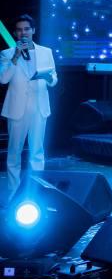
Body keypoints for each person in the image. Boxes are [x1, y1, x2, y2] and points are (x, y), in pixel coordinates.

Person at [1, 15, 58, 197]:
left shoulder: (46, 52)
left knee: (37, 153)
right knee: (14, 154)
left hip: (39, 108)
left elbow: (54, 79)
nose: (23, 33)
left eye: (26, 29)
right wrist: (15, 56)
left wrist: (48, 77)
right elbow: (3, 79)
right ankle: (13, 194)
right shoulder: (7, 53)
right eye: (19, 30)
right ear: (15, 33)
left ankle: (36, 194)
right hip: (17, 109)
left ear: (33, 30)